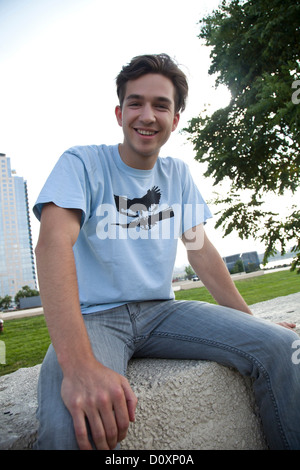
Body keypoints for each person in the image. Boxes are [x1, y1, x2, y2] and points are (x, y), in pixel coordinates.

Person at [33, 53, 300, 451]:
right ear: (119, 112)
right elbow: (53, 244)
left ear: (175, 119)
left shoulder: (176, 174)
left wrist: (253, 323)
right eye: (136, 103)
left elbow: (199, 250)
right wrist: (79, 367)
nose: (147, 115)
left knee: (283, 349)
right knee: (77, 425)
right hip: (95, 319)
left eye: (161, 105)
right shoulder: (82, 163)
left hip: (162, 311)